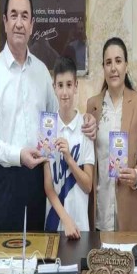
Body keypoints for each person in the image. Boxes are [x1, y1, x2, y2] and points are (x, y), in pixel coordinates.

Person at [0, 0, 96, 231]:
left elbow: (58, 120)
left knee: (37, 249)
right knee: (6, 248)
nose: (19, 23)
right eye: (14, 15)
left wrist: (86, 120)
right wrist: (18, 155)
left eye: (25, 16)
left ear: (32, 24)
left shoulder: (42, 72)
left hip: (39, 180)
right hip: (6, 180)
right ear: (5, 22)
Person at [87, 37, 137, 231]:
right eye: (108, 63)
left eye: (118, 61)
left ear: (126, 65)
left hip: (128, 207)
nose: (113, 68)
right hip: (99, 208)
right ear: (103, 67)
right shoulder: (93, 106)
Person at [43, 57, 94, 238]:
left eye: (69, 85)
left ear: (76, 86)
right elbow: (48, 186)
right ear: (54, 88)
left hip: (80, 225)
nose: (65, 92)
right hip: (54, 222)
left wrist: (69, 159)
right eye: (60, 85)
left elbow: (88, 185)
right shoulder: (47, 128)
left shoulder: (85, 128)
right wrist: (66, 220)